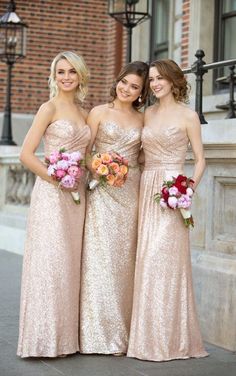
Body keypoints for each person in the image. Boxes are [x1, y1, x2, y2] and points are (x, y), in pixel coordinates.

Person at [127, 59, 208, 361]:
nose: (155, 83)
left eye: (161, 78)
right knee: (147, 260)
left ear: (174, 80)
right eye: (151, 79)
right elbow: (140, 156)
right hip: (147, 187)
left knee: (164, 262)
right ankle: (147, 338)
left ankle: (169, 339)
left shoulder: (188, 115)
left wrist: (187, 190)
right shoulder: (147, 113)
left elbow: (200, 160)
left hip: (173, 191)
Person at [17, 51, 90, 358]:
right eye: (60, 72)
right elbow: (26, 154)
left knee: (69, 265)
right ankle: (42, 340)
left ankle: (65, 340)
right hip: (52, 194)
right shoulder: (48, 108)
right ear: (54, 75)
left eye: (72, 72)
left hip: (77, 198)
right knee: (50, 262)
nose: (66, 77)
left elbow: (86, 156)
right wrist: (56, 177)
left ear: (80, 75)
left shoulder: (84, 112)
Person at [79, 61, 149, 355]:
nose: (127, 89)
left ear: (141, 93)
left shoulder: (143, 120)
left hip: (129, 193)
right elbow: (85, 151)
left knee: (123, 261)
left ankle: (122, 333)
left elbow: (143, 158)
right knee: (99, 259)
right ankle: (94, 335)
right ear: (117, 81)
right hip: (101, 192)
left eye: (134, 87)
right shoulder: (98, 112)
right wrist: (98, 169)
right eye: (124, 82)